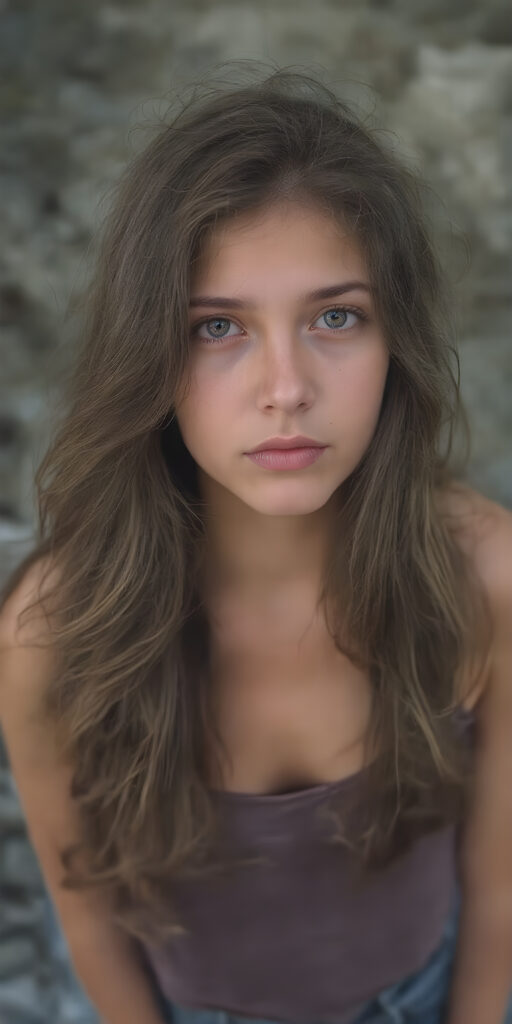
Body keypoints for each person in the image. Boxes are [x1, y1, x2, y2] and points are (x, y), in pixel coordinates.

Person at [0, 64, 511, 1024]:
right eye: (218, 328)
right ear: (148, 350)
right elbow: (86, 912)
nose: (286, 386)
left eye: (335, 317)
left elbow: (499, 880)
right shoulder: (56, 630)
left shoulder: (485, 577)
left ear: (393, 339)